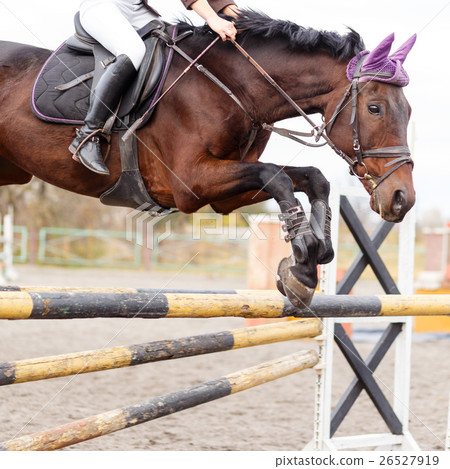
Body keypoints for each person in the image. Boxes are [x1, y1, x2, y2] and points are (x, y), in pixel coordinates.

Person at [70, 0, 239, 175]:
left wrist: (241, 20)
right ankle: (87, 136)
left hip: (136, 9)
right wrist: (212, 18)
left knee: (174, 44)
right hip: (103, 5)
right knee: (133, 50)